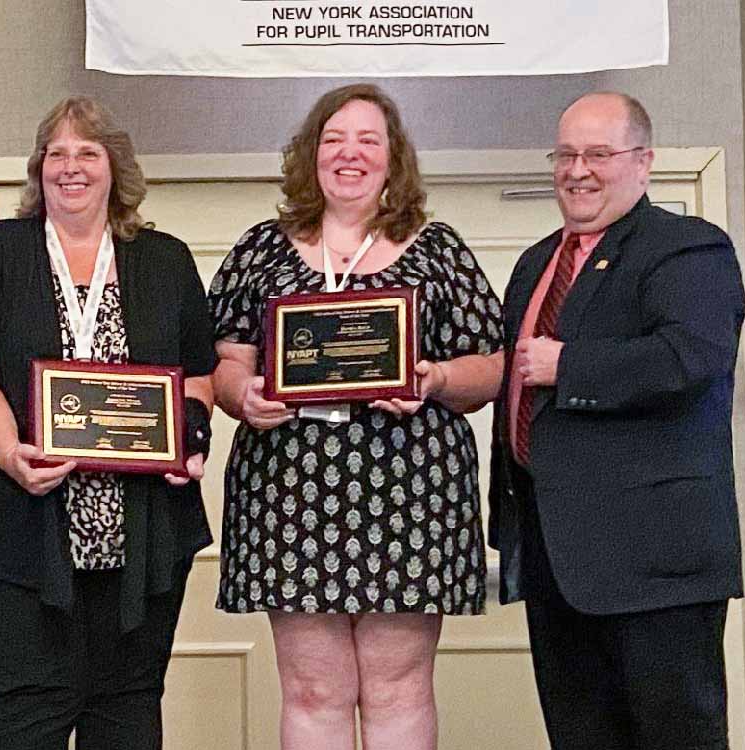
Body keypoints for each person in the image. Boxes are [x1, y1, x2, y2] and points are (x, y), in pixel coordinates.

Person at [208, 83, 504, 750]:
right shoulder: (261, 248)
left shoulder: (439, 249)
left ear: (393, 158)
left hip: (411, 495)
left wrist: (434, 379)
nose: (351, 154)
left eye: (368, 140)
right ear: (310, 155)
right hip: (290, 494)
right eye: (334, 139)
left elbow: (492, 366)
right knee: (313, 691)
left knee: (398, 690)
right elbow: (225, 361)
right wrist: (243, 395)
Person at [0, 95, 216, 750]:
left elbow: (196, 377)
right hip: (17, 531)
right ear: (39, 170)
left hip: (142, 538)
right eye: (55, 153)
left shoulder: (164, 260)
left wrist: (189, 440)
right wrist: (11, 454)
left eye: (87, 152)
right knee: (24, 714)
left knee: (128, 714)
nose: (70, 166)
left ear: (115, 168)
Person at [489, 92, 744, 750]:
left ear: (643, 162)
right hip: (558, 563)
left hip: (654, 568)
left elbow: (691, 358)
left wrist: (569, 366)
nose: (579, 170)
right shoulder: (537, 262)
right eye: (567, 154)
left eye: (598, 153)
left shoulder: (688, 249)